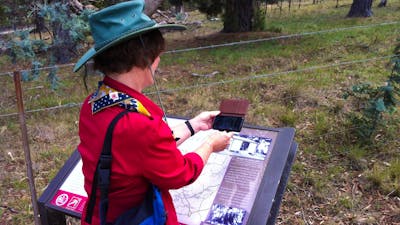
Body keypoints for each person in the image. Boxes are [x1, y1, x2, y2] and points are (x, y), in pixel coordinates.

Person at [73, 1, 233, 225]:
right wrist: (211, 145)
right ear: (144, 59)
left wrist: (193, 126)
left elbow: (140, 152)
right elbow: (179, 173)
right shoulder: (137, 123)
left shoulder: (94, 104)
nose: (159, 61)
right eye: (157, 54)